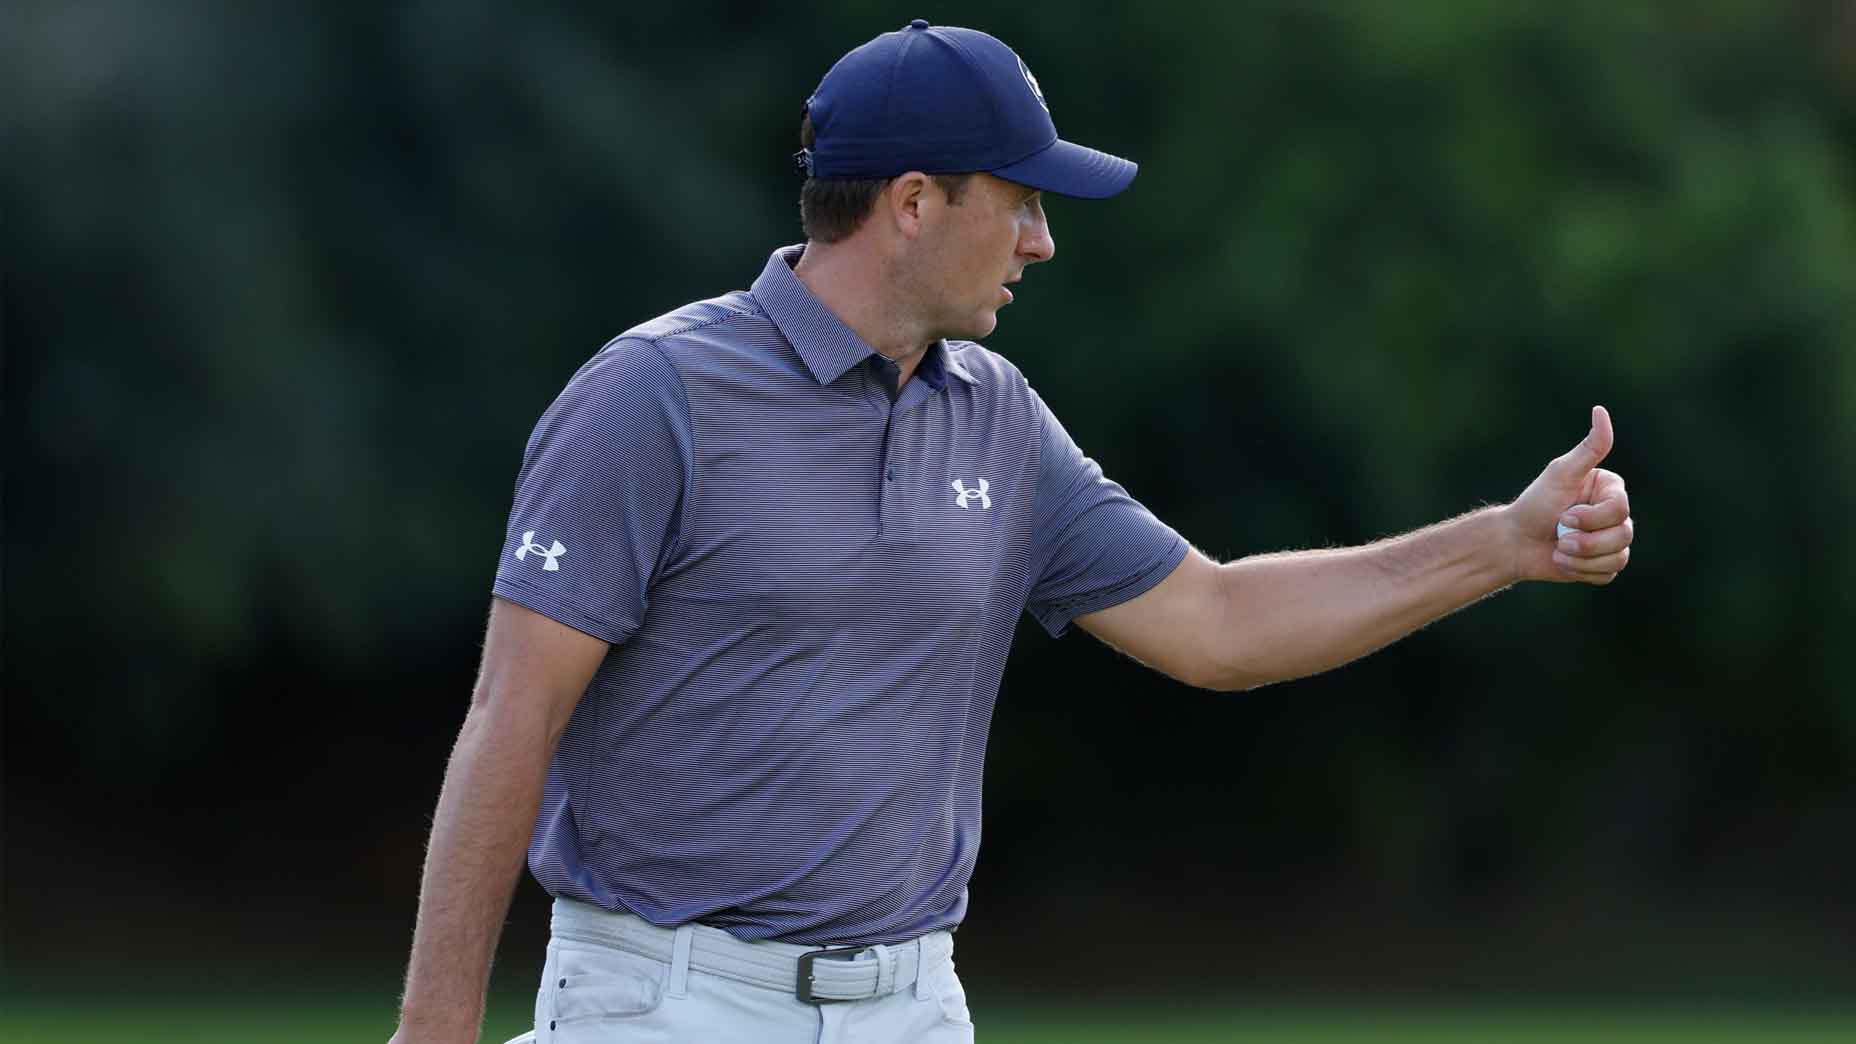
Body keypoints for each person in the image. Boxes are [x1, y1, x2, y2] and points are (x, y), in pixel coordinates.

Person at [388, 20, 1634, 1044]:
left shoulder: (996, 419)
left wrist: (1502, 545)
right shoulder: (651, 394)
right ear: (916, 202)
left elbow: (1215, 622)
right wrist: (437, 1029)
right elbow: (514, 716)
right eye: (1022, 202)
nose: (1042, 239)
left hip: (916, 1009)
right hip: (663, 1009)